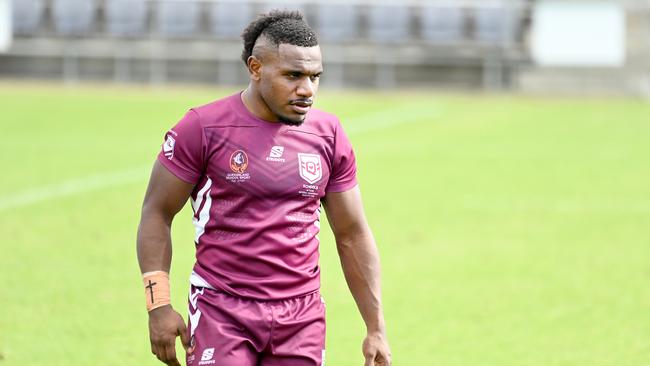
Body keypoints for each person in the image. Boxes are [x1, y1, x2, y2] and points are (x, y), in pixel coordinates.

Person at [136, 10, 391, 366]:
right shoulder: (202, 128)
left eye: (315, 77)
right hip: (221, 309)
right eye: (293, 76)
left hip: (300, 316)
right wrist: (158, 305)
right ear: (255, 68)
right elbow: (156, 213)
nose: (307, 90)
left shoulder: (328, 135)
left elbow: (351, 233)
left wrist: (375, 327)